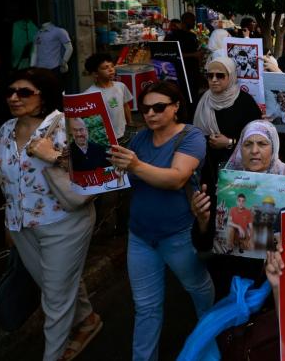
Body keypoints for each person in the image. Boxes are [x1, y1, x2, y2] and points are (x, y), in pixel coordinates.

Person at [0, 68, 101, 361]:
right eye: (10, 92)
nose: (15, 98)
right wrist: (9, 220)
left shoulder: (67, 126)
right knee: (54, 283)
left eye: (24, 92)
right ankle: (89, 320)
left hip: (64, 222)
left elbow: (97, 173)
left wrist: (53, 157)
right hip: (22, 225)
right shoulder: (5, 130)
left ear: (43, 96)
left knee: (55, 298)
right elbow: (5, 179)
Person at [108, 81, 214, 361]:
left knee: (198, 290)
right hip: (141, 236)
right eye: (145, 109)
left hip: (178, 234)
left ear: (176, 107)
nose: (151, 114)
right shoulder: (141, 139)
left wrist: (135, 165)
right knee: (145, 307)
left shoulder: (191, 137)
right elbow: (123, 178)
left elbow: (177, 177)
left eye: (159, 107)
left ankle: (213, 343)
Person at [190, 120, 285, 295]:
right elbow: (205, 246)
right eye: (248, 144)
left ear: (273, 148)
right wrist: (203, 221)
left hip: (274, 284)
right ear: (240, 149)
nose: (254, 150)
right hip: (231, 282)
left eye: (262, 144)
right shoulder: (225, 187)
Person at [193, 57, 262, 196]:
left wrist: (229, 142)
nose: (214, 79)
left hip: (236, 172)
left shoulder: (245, 103)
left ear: (231, 77)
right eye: (209, 75)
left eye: (220, 75)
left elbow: (258, 140)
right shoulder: (201, 100)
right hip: (207, 170)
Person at [84, 53, 133, 144]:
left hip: (122, 133)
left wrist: (130, 123)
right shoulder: (89, 94)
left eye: (112, 66)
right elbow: (90, 120)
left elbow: (125, 106)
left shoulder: (121, 86)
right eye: (105, 68)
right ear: (95, 74)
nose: (111, 70)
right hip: (104, 137)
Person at [164, 12, 202, 99]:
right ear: (185, 21)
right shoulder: (172, 36)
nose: (194, 23)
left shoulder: (192, 35)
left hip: (192, 73)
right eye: (192, 20)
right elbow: (171, 54)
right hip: (180, 73)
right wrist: (194, 55)